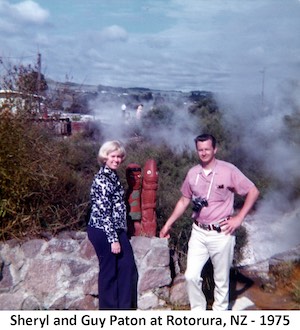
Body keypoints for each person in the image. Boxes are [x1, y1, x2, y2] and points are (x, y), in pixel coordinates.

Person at [160, 133, 259, 311]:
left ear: (215, 149)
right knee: (191, 276)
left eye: (207, 149)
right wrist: (168, 224)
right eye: (200, 150)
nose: (204, 153)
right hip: (198, 231)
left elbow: (253, 191)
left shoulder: (229, 170)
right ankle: (199, 313)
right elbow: (184, 200)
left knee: (221, 280)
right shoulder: (192, 173)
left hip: (222, 233)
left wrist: (239, 218)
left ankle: (219, 314)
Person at [87, 140, 138, 310]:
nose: (116, 160)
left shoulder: (113, 176)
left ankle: (123, 309)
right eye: (113, 156)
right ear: (105, 157)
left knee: (126, 266)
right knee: (109, 271)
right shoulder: (102, 179)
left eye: (119, 157)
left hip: (116, 229)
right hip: (102, 230)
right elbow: (103, 212)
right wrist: (113, 240)